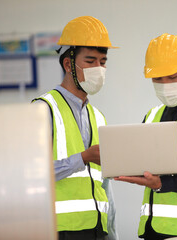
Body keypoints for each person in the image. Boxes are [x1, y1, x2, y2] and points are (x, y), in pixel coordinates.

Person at [32, 16, 118, 240]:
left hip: (98, 231)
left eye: (103, 61)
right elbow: (33, 175)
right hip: (60, 231)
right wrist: (82, 158)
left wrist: (112, 233)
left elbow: (105, 187)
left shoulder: (98, 117)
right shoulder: (43, 109)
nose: (98, 68)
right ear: (69, 64)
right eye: (90, 61)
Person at [115, 33, 177, 240]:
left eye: (172, 77)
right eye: (157, 79)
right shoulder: (152, 115)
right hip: (152, 229)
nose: (165, 84)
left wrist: (161, 184)